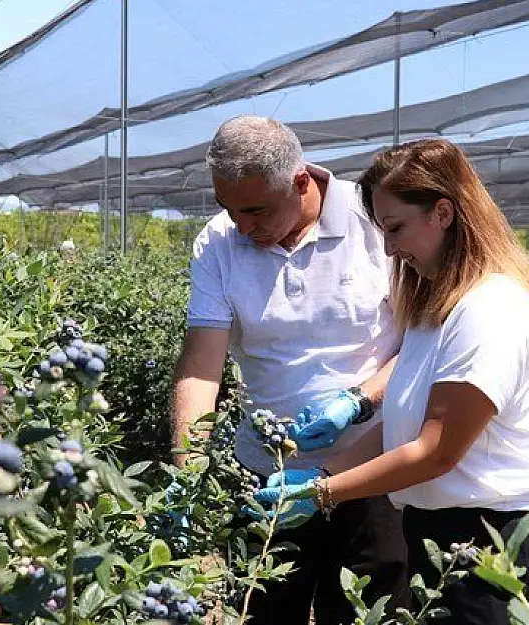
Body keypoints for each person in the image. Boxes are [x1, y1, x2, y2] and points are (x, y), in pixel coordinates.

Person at [253, 139, 529, 625]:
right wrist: (321, 473)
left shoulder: (489, 309)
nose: (390, 248)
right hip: (448, 535)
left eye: (396, 228)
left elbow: (435, 451)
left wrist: (327, 494)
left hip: (506, 540)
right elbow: (402, 428)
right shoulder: (435, 312)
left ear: (444, 213)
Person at [169, 115, 409, 624]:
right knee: (268, 612)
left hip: (372, 470)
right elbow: (200, 367)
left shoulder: (377, 221)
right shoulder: (218, 243)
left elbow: (424, 349)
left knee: (368, 613)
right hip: (270, 479)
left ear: (301, 182)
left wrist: (360, 399)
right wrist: (188, 466)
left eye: (255, 210)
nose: (241, 226)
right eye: (228, 209)